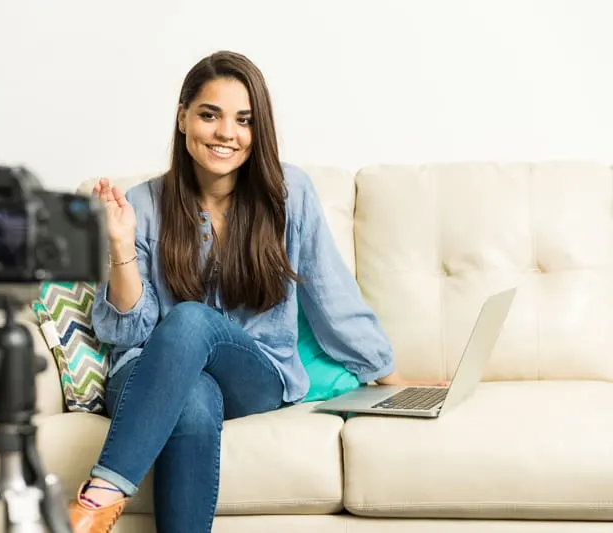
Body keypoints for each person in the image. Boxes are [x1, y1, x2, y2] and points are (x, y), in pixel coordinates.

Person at [68, 50, 436, 533]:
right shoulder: (141, 204)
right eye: (209, 115)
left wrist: (392, 378)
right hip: (146, 374)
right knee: (194, 397)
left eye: (243, 120)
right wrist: (119, 245)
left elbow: (332, 297)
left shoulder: (289, 193)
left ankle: (101, 494)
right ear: (182, 119)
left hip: (255, 373)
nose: (226, 133)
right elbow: (127, 331)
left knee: (191, 319)